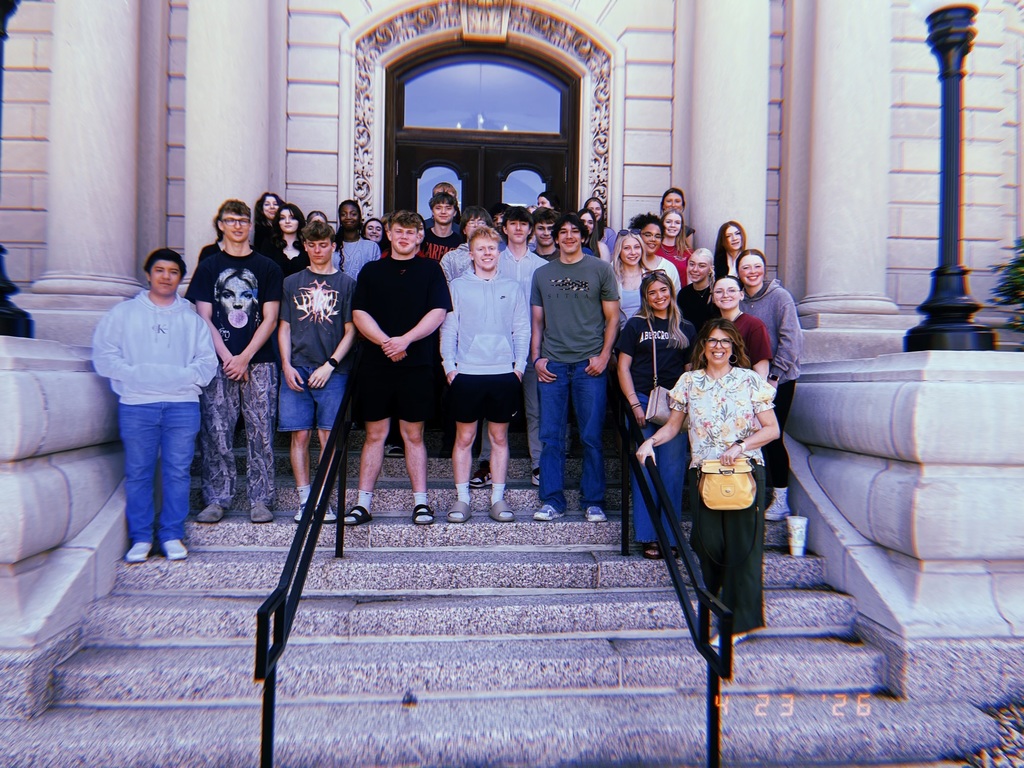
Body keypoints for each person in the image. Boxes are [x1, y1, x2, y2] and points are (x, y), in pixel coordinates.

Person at [637, 318, 779, 645]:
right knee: (706, 543)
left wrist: (740, 446)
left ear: (734, 347)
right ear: (702, 346)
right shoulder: (689, 382)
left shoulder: (749, 380)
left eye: (725, 341)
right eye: (712, 340)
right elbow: (674, 426)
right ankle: (718, 603)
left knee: (742, 547)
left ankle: (739, 623)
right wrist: (650, 442)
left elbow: (772, 429)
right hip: (704, 473)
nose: (718, 346)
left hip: (744, 472)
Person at [93, 249, 218, 562]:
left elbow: (206, 362)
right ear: (148, 274)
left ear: (180, 278)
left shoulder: (191, 320)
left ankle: (172, 534)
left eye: (173, 272)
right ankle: (140, 537)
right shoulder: (123, 314)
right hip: (137, 404)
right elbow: (105, 356)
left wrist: (179, 378)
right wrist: (137, 376)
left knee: (177, 472)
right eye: (160, 270)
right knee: (138, 471)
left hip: (182, 406)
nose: (166, 277)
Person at [348, 210, 452, 526]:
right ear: (389, 235)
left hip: (417, 363)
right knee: (375, 434)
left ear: (420, 237)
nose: (405, 237)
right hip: (376, 363)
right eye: (399, 231)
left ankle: (421, 503)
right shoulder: (371, 270)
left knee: (413, 435)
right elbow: (359, 313)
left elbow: (438, 312)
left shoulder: (431, 270)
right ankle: (362, 504)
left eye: (411, 232)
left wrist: (405, 340)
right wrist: (386, 342)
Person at [185, 199, 283, 524]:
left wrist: (245, 357)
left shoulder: (267, 267)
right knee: (216, 432)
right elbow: (203, 317)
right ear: (221, 225)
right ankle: (217, 498)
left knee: (261, 433)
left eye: (243, 220)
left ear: (250, 225)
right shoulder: (209, 266)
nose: (238, 225)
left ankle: (261, 499)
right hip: (218, 362)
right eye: (231, 220)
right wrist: (229, 357)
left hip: (260, 361)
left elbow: (270, 318)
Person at [531, 212, 619, 523]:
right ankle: (552, 501)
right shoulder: (542, 273)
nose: (568, 236)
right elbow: (537, 322)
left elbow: (613, 318)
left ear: (583, 236)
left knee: (591, 436)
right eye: (563, 232)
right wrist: (536, 359)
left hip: (589, 365)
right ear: (555, 238)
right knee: (550, 437)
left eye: (574, 231)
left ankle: (593, 501)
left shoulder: (601, 269)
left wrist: (604, 356)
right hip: (553, 365)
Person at [441, 226, 530, 523]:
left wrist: (519, 367)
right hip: (467, 372)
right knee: (465, 437)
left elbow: (522, 328)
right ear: (471, 253)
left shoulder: (512, 287)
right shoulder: (457, 286)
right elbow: (449, 328)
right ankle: (462, 498)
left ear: (499, 251)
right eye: (481, 249)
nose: (487, 253)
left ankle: (498, 498)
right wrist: (449, 366)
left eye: (492, 248)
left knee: (499, 438)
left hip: (503, 372)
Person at [278, 219, 358, 523]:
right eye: (311, 245)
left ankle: (323, 499)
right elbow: (284, 327)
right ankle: (304, 500)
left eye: (323, 244)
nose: (317, 250)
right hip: (297, 367)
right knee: (299, 435)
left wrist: (330, 365)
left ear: (333, 246)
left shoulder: (347, 284)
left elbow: (351, 331)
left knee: (327, 436)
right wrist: (286, 365)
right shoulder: (291, 282)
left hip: (333, 371)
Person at [616, 272, 695, 559]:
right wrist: (633, 404)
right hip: (642, 400)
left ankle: (670, 536)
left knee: (672, 471)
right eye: (652, 292)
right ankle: (648, 536)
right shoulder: (636, 324)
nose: (659, 296)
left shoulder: (685, 327)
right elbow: (622, 367)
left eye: (663, 290)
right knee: (645, 467)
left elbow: (690, 371)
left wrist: (685, 405)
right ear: (645, 297)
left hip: (674, 404)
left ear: (671, 292)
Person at [736, 249, 803, 521]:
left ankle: (780, 498)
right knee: (745, 439)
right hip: (746, 382)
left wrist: (774, 377)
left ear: (765, 269)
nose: (752, 272)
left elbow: (791, 339)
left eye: (757, 266)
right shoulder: (738, 300)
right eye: (745, 267)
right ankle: (746, 494)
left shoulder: (780, 297)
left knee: (772, 436)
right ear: (738, 272)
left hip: (779, 380)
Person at [711, 275, 771, 379]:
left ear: (742, 295)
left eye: (731, 290)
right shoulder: (711, 326)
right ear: (713, 297)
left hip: (745, 386)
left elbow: (761, 374)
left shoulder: (754, 325)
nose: (725, 295)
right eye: (719, 291)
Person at [439, 207, 495, 283]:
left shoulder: (496, 255)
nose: (476, 225)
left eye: (481, 222)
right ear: (464, 230)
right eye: (472, 222)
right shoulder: (450, 258)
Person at [629, 213, 681, 291]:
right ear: (637, 235)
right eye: (648, 235)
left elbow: (675, 296)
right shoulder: (622, 264)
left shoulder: (669, 267)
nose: (653, 239)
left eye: (657, 236)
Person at [335, 199, 381, 280]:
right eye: (343, 214)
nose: (348, 217)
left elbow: (376, 277)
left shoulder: (372, 247)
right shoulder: (332, 246)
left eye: (353, 214)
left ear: (360, 217)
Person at [677, 248, 717, 332]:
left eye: (701, 266)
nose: (695, 269)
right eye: (692, 264)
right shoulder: (683, 294)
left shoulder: (717, 292)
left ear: (710, 269)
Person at [611, 230, 645, 328]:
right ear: (619, 251)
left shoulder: (650, 275)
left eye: (637, 247)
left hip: (646, 333)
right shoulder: (610, 278)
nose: (633, 252)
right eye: (626, 248)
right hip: (620, 333)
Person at [266, 203, 309, 277]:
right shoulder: (269, 245)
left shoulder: (307, 246)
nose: (287, 221)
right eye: (282, 218)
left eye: (292, 218)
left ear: (299, 221)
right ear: (278, 222)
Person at [422, 191, 463, 262]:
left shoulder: (459, 242)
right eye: (438, 208)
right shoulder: (423, 237)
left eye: (448, 208)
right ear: (432, 212)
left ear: (454, 213)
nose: (443, 212)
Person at [657, 208, 690, 280]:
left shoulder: (688, 253)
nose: (673, 225)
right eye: (668, 222)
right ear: (662, 224)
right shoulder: (653, 250)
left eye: (677, 223)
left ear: (681, 227)